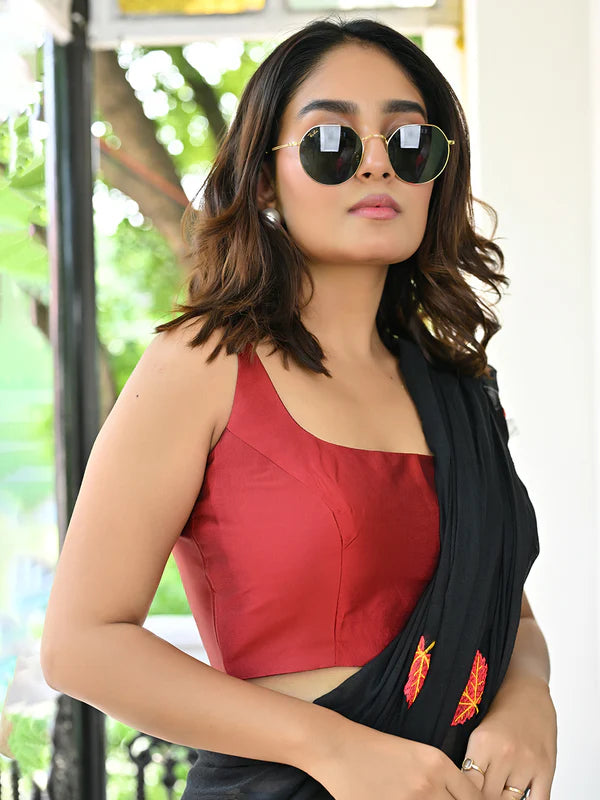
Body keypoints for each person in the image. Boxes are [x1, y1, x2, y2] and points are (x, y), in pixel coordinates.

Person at [40, 16, 557, 800]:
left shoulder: (460, 390)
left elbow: (507, 618)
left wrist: (528, 699)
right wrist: (338, 750)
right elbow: (81, 645)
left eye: (409, 143)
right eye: (331, 142)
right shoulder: (204, 363)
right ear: (263, 180)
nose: (376, 164)